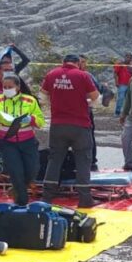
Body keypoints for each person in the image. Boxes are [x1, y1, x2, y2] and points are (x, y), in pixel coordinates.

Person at [40, 54, 98, 208]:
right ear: (78, 63)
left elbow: (43, 97)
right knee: (83, 160)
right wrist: (85, 102)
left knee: (54, 160)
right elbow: (95, 97)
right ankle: (85, 199)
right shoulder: (83, 75)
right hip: (80, 125)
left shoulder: (51, 74)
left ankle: (47, 196)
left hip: (58, 125)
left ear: (63, 62)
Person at [0, 73, 45, 206]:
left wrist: (31, 119)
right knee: (16, 171)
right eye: (5, 87)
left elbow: (41, 121)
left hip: (27, 140)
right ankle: (22, 202)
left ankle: (16, 188)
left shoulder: (30, 100)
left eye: (10, 86)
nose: (7, 89)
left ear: (17, 87)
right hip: (6, 141)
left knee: (33, 169)